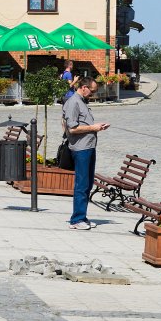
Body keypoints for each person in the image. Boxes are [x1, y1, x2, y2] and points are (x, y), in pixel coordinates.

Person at [63, 76, 110, 229]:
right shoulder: (73, 102)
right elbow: (72, 128)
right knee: (81, 184)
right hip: (81, 148)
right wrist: (93, 128)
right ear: (84, 87)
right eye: (92, 91)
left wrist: (98, 127)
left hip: (89, 146)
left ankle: (82, 216)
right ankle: (76, 220)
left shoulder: (82, 101)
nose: (93, 94)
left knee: (88, 183)